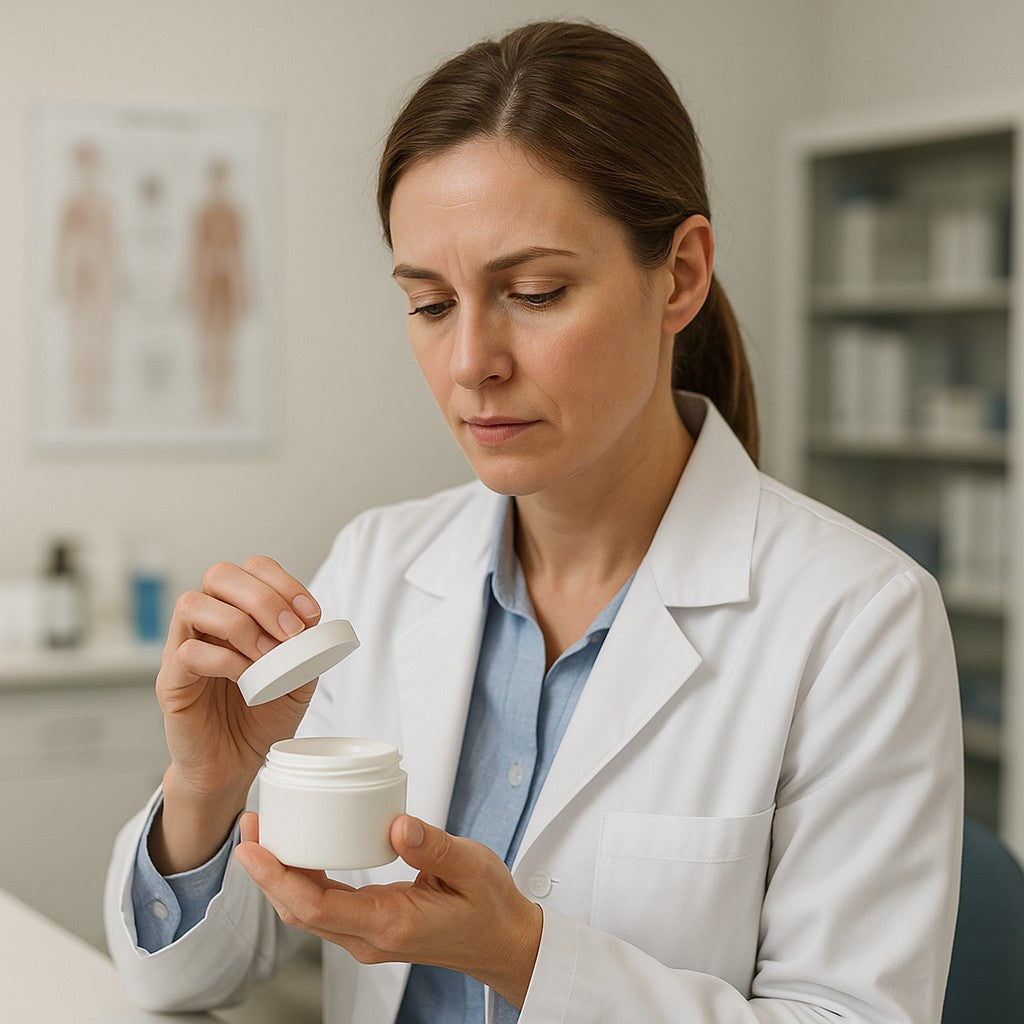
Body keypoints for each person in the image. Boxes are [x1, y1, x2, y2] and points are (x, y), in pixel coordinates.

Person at [105, 19, 963, 1024]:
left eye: (534, 292)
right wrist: (208, 783)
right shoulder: (379, 565)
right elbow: (183, 979)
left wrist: (523, 957)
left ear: (680, 275)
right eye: (429, 304)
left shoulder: (857, 618)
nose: (472, 361)